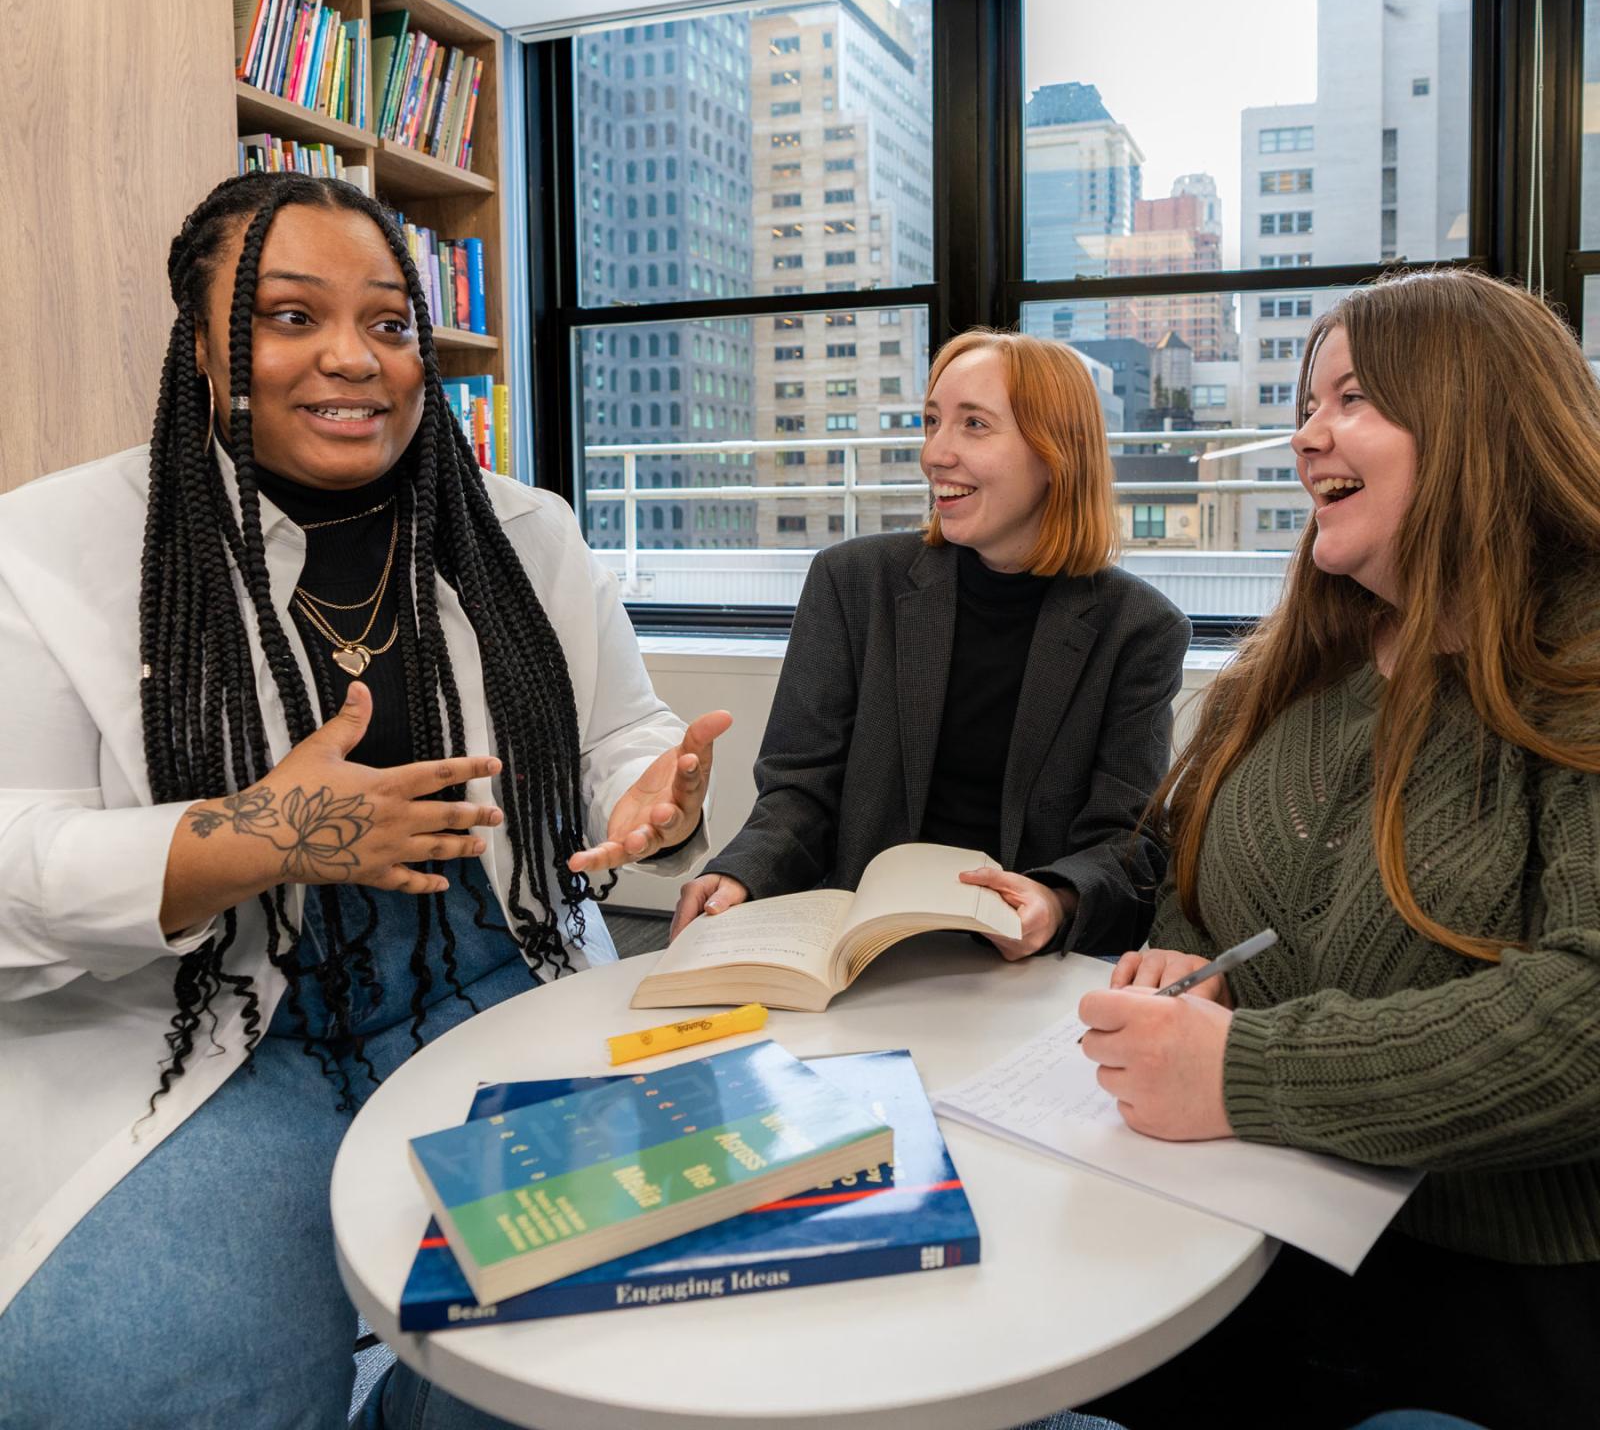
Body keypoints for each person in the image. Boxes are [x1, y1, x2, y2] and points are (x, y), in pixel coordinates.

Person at [0, 172, 729, 1430]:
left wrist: (644, 789)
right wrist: (254, 839)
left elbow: (621, 731)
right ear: (205, 345)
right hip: (210, 1030)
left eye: (390, 323)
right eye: (289, 317)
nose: (354, 357)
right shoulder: (44, 548)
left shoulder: (525, 532)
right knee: (119, 1390)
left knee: (608, 1362)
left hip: (495, 985)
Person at [1072, 270, 1600, 1430]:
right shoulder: (1288, 667)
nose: (1306, 434)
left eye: (1352, 399)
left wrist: (1243, 1067)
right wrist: (1181, 966)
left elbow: (1587, 1019)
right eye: (1309, 402)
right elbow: (1194, 893)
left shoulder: (1578, 657)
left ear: (1476, 420)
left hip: (1495, 1293)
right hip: (1246, 1228)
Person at [674, 327, 1191, 960]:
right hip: (862, 950)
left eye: (974, 424)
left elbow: (1125, 842)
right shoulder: (852, 583)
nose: (935, 454)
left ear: (1056, 453)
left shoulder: (1138, 629)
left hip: (1028, 964)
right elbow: (800, 791)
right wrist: (739, 875)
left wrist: (1054, 903)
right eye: (931, 421)